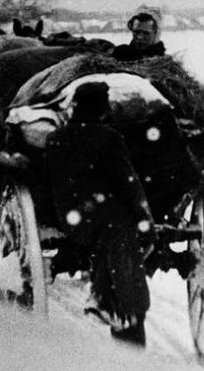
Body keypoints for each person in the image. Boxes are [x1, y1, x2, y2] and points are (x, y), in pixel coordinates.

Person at [44, 82, 155, 346]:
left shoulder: (55, 138)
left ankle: (106, 299)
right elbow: (128, 182)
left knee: (109, 238)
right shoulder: (108, 137)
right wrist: (145, 219)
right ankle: (119, 309)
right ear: (102, 108)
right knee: (123, 247)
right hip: (107, 221)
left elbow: (50, 184)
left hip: (71, 220)